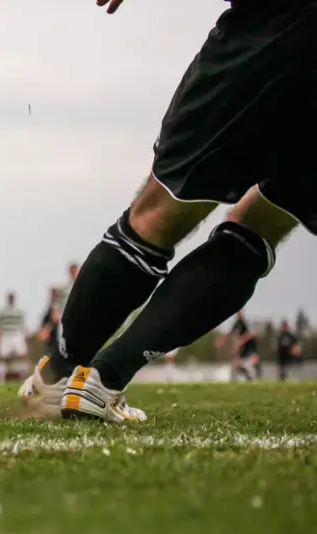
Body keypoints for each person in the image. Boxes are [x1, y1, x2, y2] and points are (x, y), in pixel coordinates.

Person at [20, 0, 317, 422]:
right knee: (261, 226)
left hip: (274, 26)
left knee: (156, 216)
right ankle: (104, 380)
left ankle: (58, 377)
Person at [215, 311, 261, 381]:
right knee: (238, 365)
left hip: (251, 347)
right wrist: (222, 340)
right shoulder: (237, 323)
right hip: (244, 349)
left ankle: (254, 376)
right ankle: (249, 378)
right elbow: (230, 332)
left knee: (251, 362)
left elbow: (253, 332)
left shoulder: (246, 322)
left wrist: (242, 340)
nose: (238, 314)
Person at [0, 291, 30, 384]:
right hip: (6, 335)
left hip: (17, 335)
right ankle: (0, 379)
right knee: (3, 358)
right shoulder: (2, 312)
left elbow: (23, 325)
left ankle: (25, 378)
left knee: (23, 356)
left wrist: (25, 336)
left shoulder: (19, 312)